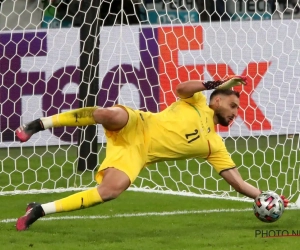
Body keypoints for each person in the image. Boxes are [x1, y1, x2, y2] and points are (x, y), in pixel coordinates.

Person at [15, 75, 289, 231]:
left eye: (237, 109)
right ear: (217, 101)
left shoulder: (214, 145)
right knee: (106, 114)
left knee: (111, 191)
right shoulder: (196, 103)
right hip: (138, 122)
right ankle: (37, 124)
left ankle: (39, 210)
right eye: (232, 105)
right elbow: (181, 88)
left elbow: (238, 183)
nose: (235, 113)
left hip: (137, 153)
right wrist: (210, 83)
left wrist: (267, 197)